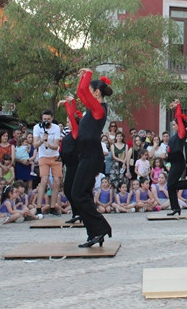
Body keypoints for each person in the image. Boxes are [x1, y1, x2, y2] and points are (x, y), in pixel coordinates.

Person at [71, 69, 113, 248]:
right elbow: (81, 93)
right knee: (83, 194)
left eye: (90, 90)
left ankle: (101, 227)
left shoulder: (99, 110)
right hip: (87, 155)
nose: (86, 94)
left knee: (77, 194)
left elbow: (81, 92)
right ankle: (94, 232)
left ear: (96, 92)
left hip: (92, 156)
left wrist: (87, 73)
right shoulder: (92, 110)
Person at [165, 99, 187, 216]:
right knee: (170, 186)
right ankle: (176, 208)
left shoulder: (182, 134)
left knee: (170, 185)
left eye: (174, 124)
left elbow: (179, 117)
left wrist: (178, 106)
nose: (173, 126)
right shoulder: (174, 136)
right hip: (174, 162)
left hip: (179, 163)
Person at [58, 97, 83, 224]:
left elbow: (72, 115)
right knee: (69, 190)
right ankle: (77, 213)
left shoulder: (76, 133)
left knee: (72, 190)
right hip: (70, 165)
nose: (67, 122)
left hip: (76, 165)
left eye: (68, 121)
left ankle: (80, 213)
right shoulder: (70, 134)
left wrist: (69, 104)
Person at [33, 110, 62, 215]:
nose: (46, 121)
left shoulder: (56, 128)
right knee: (44, 180)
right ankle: (38, 208)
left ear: (52, 118)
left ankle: (53, 207)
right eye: (44, 119)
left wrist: (48, 144)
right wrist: (42, 140)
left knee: (57, 181)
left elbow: (56, 146)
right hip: (43, 157)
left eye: (48, 119)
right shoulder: (37, 127)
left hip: (54, 156)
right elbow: (35, 145)